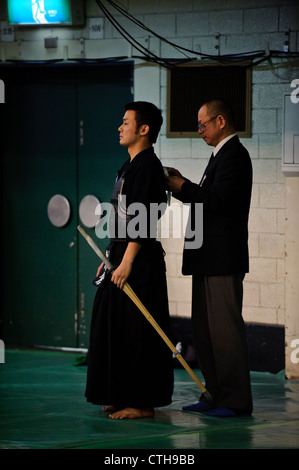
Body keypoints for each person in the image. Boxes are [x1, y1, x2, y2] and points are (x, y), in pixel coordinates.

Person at [85, 101, 174, 420]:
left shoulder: (148, 165)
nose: (119, 127)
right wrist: (112, 255)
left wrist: (127, 261)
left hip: (140, 260)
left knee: (138, 331)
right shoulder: (129, 166)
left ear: (144, 129)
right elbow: (122, 218)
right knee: (115, 326)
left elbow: (144, 218)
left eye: (126, 122)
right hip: (122, 253)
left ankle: (142, 401)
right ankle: (120, 394)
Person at [165, 98, 253, 418]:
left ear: (220, 121)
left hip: (222, 260)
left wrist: (182, 186)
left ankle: (235, 400)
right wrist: (181, 184)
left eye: (203, 124)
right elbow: (207, 196)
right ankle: (214, 393)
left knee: (224, 332)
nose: (199, 130)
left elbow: (217, 201)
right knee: (205, 333)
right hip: (208, 258)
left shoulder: (235, 156)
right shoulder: (219, 156)